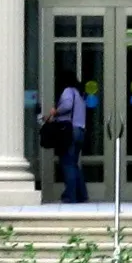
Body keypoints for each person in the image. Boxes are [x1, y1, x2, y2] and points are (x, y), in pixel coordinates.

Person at [47, 68, 88, 203]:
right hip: (80, 130)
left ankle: (70, 196)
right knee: (74, 163)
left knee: (67, 163)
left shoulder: (68, 91)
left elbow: (67, 106)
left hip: (69, 131)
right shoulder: (80, 94)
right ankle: (81, 194)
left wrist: (55, 111)